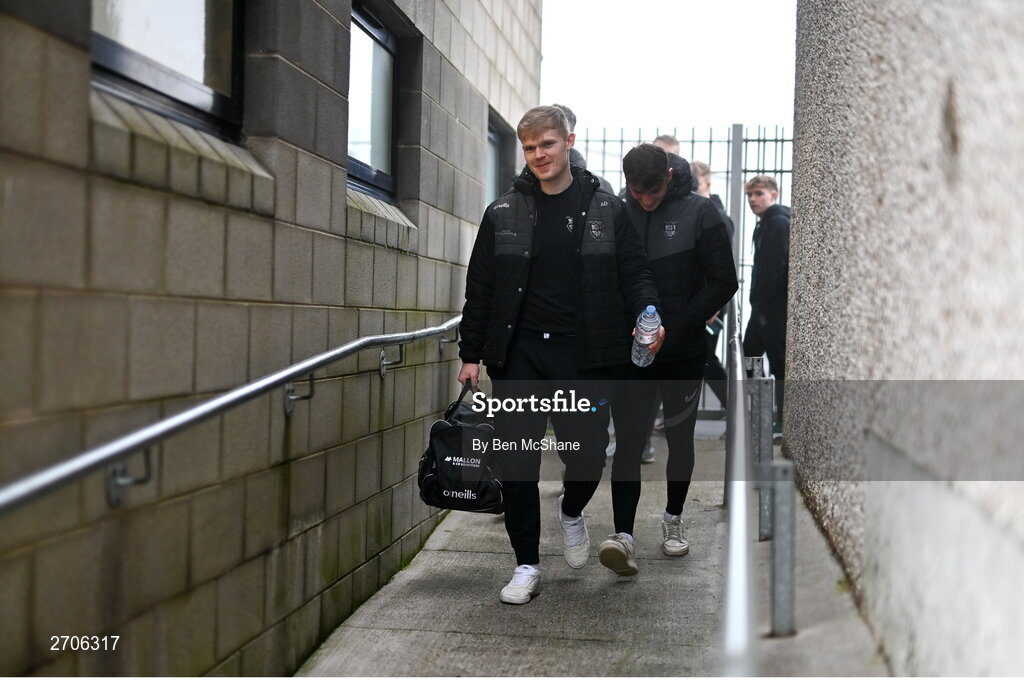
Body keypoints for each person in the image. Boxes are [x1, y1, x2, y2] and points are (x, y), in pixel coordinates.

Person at [458, 106, 663, 604]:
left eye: (546, 145)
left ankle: (572, 512)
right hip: (520, 354)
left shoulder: (607, 208)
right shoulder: (502, 212)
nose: (538, 156)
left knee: (588, 453)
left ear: (568, 141)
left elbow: (633, 273)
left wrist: (648, 311)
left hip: (585, 354)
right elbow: (480, 287)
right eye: (529, 148)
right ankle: (526, 564)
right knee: (518, 462)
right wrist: (471, 352)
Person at [600, 144, 737, 577]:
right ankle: (623, 535)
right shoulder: (618, 212)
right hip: (632, 354)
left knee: (680, 441)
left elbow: (724, 281)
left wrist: (675, 328)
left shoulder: (700, 212)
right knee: (628, 441)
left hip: (682, 350)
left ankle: (674, 519)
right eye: (637, 192)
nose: (645, 200)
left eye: (653, 191)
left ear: (669, 179)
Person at [742, 175, 790, 438]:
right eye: (749, 195)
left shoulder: (777, 223)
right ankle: (761, 416)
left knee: (777, 364)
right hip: (762, 307)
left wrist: (763, 304)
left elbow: (774, 269)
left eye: (758, 194)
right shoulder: (765, 224)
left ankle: (780, 422)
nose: (752, 200)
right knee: (750, 359)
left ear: (774, 194)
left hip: (772, 308)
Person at [689, 160, 735, 412]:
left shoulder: (716, 216)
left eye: (695, 182)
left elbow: (719, 265)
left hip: (709, 304)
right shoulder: (700, 212)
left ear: (706, 182)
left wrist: (712, 303)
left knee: (706, 359)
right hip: (703, 301)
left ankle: (735, 408)